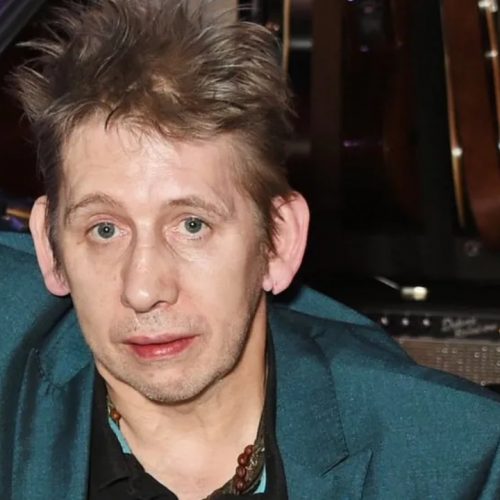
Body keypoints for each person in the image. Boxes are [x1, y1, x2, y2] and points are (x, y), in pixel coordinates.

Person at [1, 1, 500, 498]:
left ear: (278, 241)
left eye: (192, 225)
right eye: (105, 230)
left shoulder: (447, 462)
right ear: (50, 246)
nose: (144, 289)